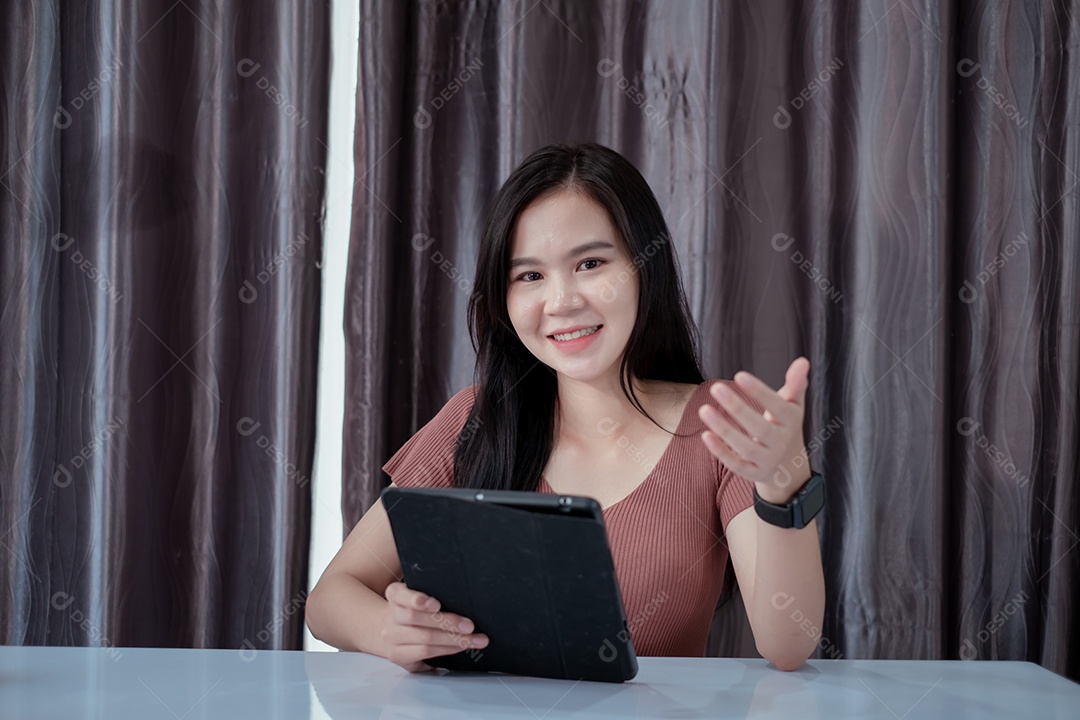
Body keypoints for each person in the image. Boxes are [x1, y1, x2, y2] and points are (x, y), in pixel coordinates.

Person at [305, 143, 825, 673]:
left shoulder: (719, 420)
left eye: (591, 263)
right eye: (529, 276)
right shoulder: (475, 420)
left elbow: (787, 644)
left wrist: (783, 482)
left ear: (647, 267)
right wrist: (392, 631)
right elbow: (329, 600)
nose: (562, 302)